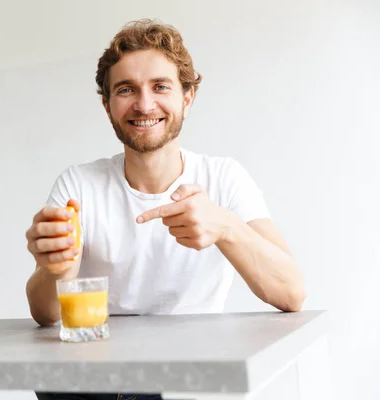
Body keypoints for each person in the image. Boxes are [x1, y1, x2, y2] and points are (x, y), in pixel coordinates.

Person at [25, 18, 306, 400]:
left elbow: (292, 294)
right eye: (126, 90)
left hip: (187, 380)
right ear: (107, 105)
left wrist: (226, 227)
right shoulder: (78, 185)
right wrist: (54, 268)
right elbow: (46, 314)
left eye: (160, 87)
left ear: (186, 97)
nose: (144, 104)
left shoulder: (224, 178)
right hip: (94, 377)